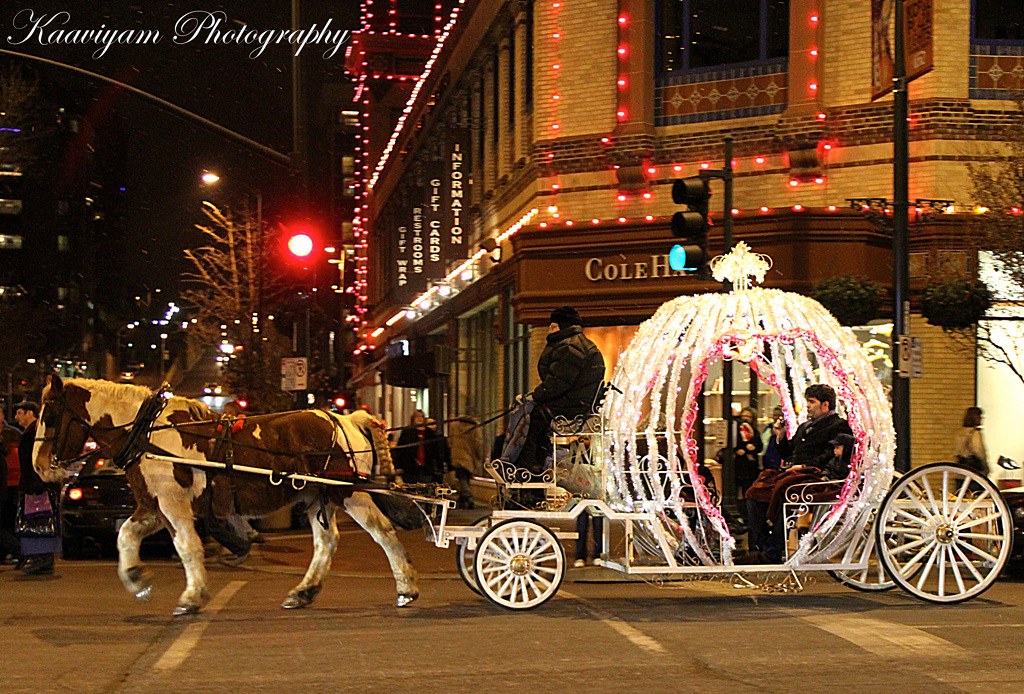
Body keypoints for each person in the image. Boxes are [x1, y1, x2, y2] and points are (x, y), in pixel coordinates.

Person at [738, 384, 853, 564]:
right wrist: (781, 437)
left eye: (812, 402)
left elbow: (834, 453)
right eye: (808, 401)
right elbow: (788, 452)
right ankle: (758, 547)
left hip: (814, 476)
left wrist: (804, 466)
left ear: (825, 405)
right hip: (792, 473)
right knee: (754, 492)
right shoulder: (805, 426)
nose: (807, 405)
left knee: (786, 492)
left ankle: (772, 551)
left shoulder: (838, 425)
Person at [516, 306, 606, 474]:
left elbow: (558, 383)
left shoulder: (569, 347)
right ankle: (534, 463)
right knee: (535, 416)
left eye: (553, 326)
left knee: (532, 417)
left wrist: (534, 396)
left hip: (572, 405)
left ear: (562, 326)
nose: (549, 331)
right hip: (577, 402)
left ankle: (528, 466)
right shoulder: (576, 344)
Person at [14, 401, 59, 575]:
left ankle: (42, 558)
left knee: (37, 521)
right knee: (39, 520)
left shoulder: (35, 432)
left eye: (19, 413)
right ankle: (42, 559)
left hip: (36, 484)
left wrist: (35, 484)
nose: (16, 417)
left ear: (30, 413)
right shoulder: (34, 431)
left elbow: (36, 460)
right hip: (36, 483)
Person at [393, 410, 445, 484]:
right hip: (410, 469)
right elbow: (400, 450)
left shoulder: (430, 433)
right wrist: (398, 466)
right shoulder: (407, 432)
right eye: (417, 417)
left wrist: (439, 467)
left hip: (426, 469)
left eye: (421, 416)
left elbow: (437, 451)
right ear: (413, 419)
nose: (419, 419)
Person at [0, 408, 22, 564]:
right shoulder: (12, 435)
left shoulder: (12, 436)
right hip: (8, 488)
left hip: (10, 487)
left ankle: (21, 552)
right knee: (5, 525)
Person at [447, 416, 483, 509]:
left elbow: (450, 441)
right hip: (469, 457)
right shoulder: (475, 427)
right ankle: (467, 497)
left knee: (462, 477)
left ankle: (464, 498)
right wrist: (479, 457)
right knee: (464, 477)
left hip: (457, 455)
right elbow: (477, 444)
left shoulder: (454, 426)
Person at [734, 407, 763, 497]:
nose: (745, 418)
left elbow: (759, 446)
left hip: (750, 466)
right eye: (743, 416)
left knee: (749, 489)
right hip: (739, 464)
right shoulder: (736, 431)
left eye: (748, 416)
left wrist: (751, 449)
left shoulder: (754, 431)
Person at [953, 406, 988, 476]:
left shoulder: (960, 432)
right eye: (980, 416)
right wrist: (985, 464)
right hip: (974, 469)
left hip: (961, 467)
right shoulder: (974, 433)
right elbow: (978, 450)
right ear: (975, 418)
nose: (982, 419)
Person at [761, 405, 784, 470]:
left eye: (779, 415)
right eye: (775, 415)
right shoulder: (768, 427)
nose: (776, 417)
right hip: (767, 460)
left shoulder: (786, 429)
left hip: (778, 460)